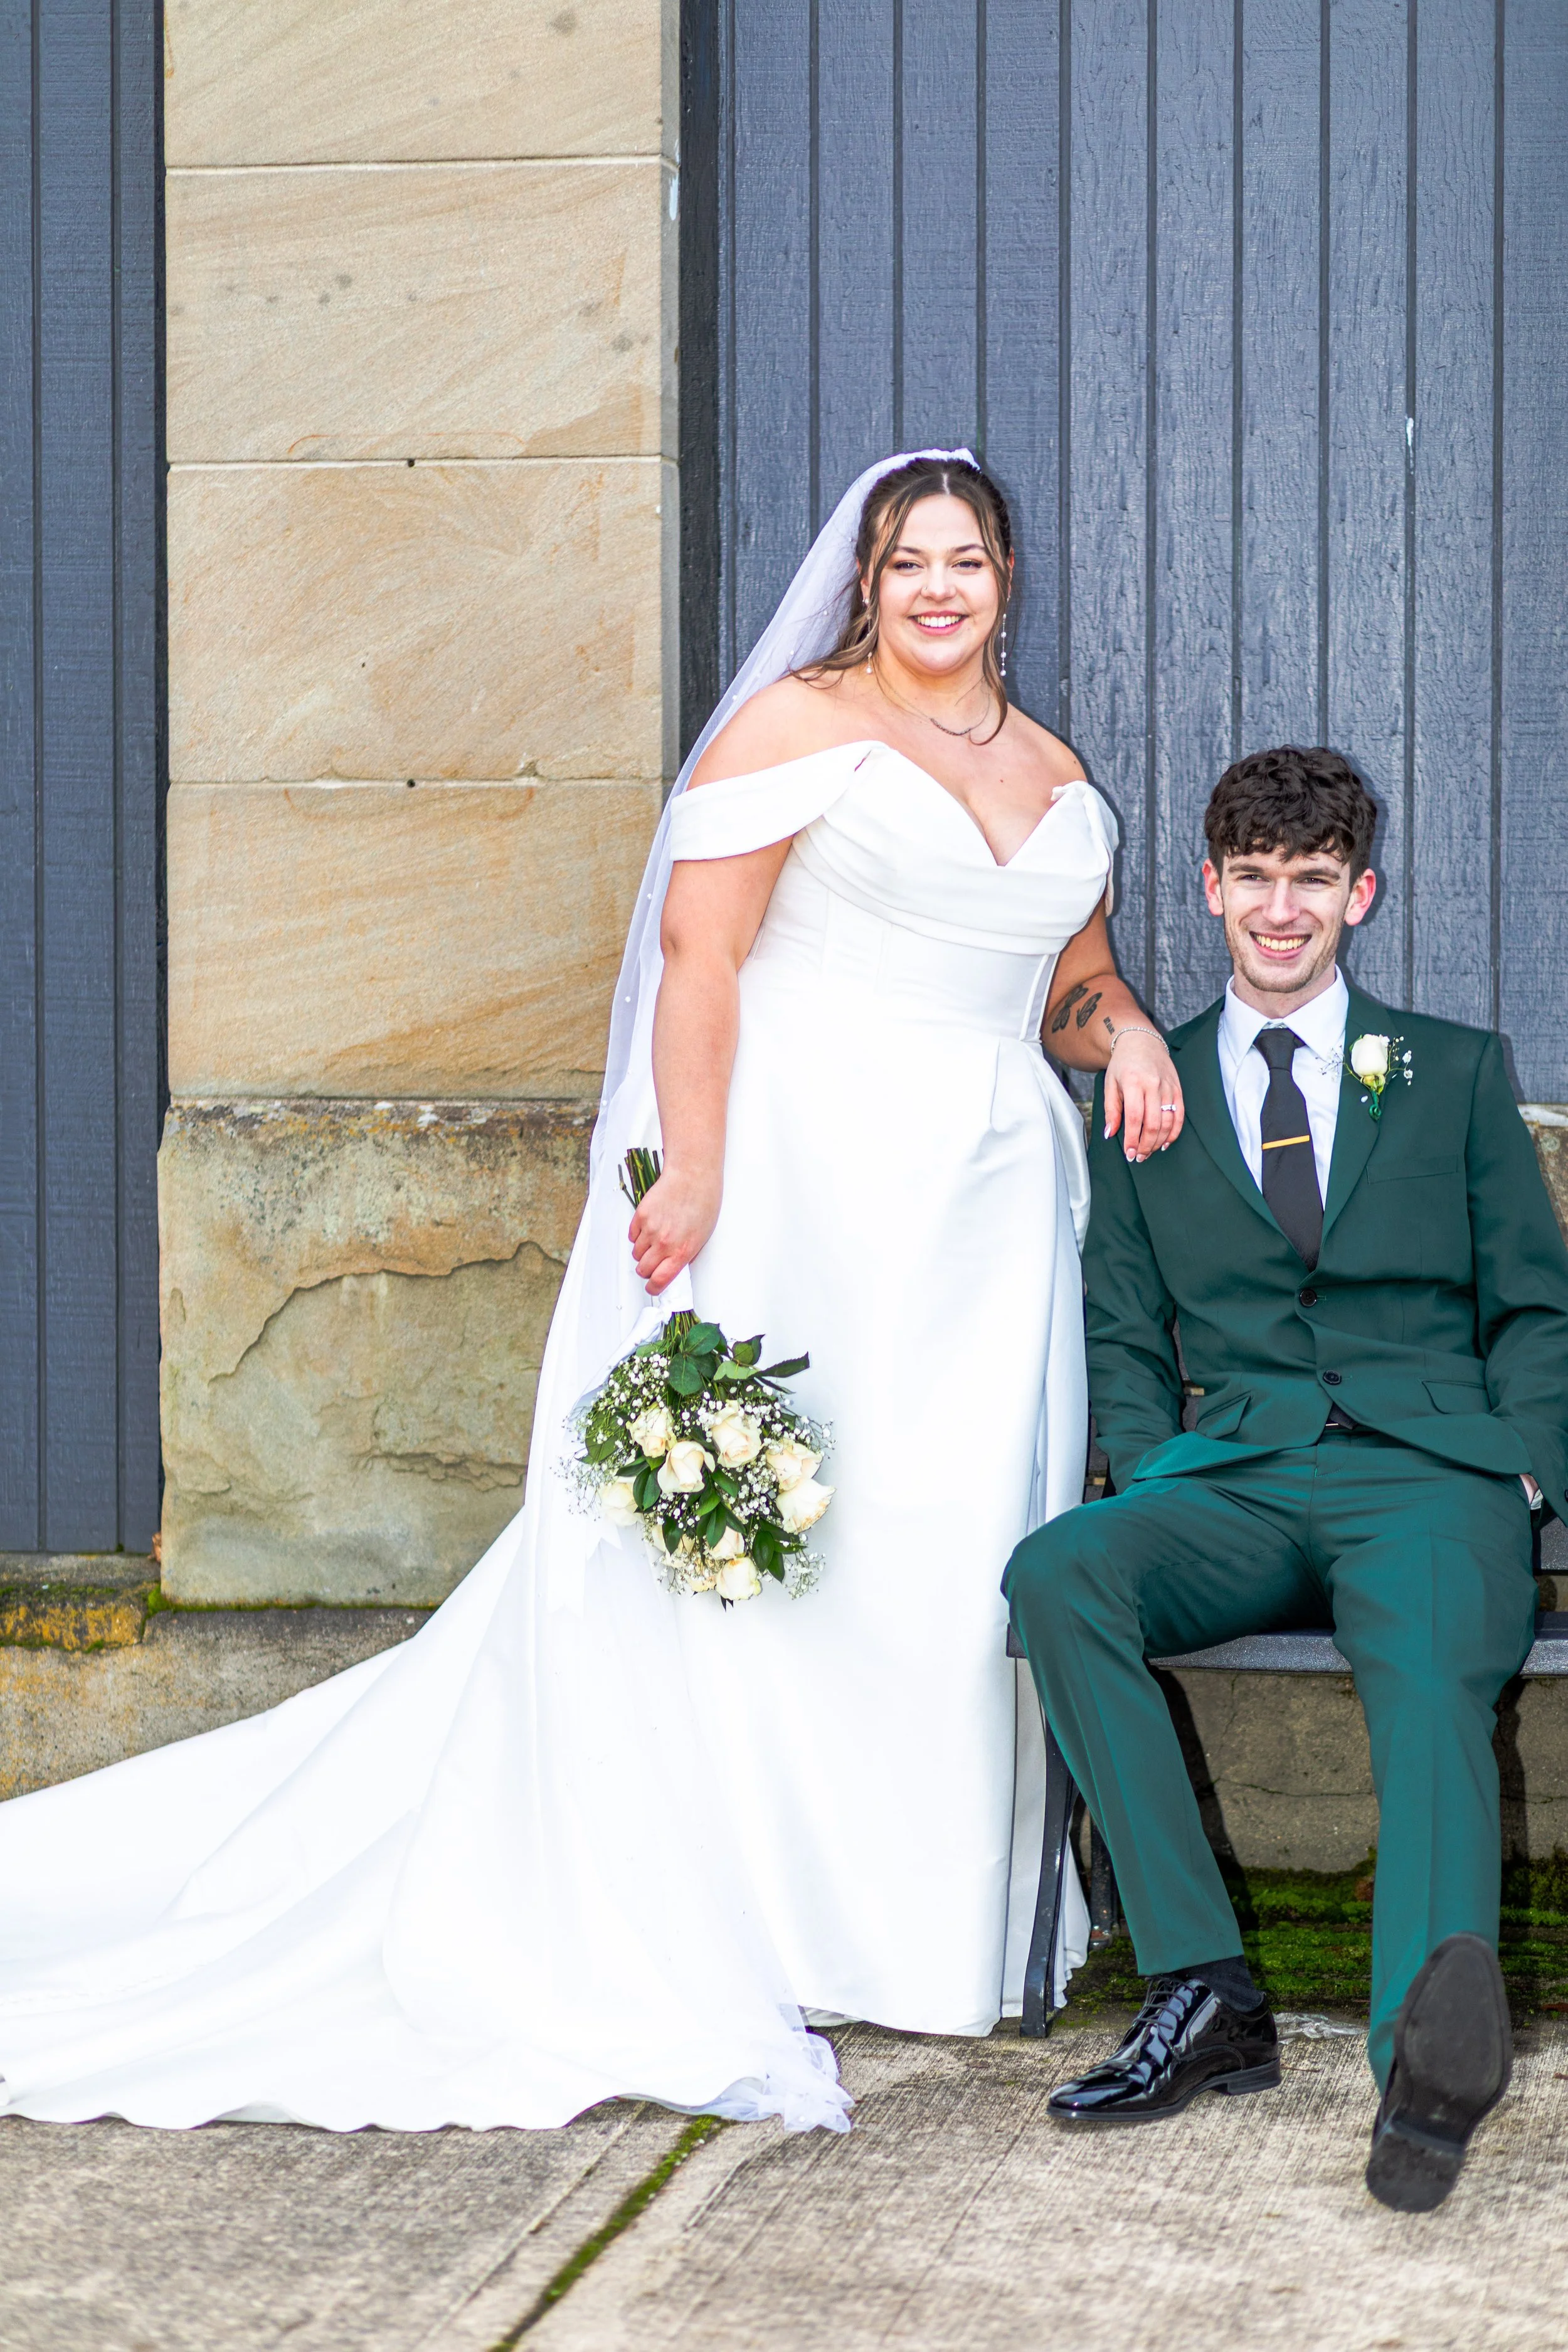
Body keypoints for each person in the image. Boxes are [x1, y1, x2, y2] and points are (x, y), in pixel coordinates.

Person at [0, 450, 1180, 2137]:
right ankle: (766, 1913)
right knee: (790, 1547)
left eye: (967, 560)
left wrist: (1124, 1027)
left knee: (940, 1554)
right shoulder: (798, 730)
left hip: (989, 1226)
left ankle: (916, 1921)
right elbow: (700, 955)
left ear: (1006, 581)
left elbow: (1068, 981)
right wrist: (685, 1171)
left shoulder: (1055, 773)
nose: (937, 587)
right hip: (809, 1186)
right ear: (866, 581)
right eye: (907, 559)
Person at [1005, 745, 1568, 2212]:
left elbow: (1531, 1305)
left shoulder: (1448, 1071)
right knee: (1057, 1573)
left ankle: (1420, 2074)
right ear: (1207, 886)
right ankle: (1202, 1992)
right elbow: (1121, 1323)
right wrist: (1137, 1479)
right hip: (1238, 1472)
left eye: (1308, 878)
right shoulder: (1151, 1090)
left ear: (1356, 895)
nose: (1277, 906)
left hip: (1430, 1473)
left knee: (1429, 1680)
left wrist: (1520, 1474)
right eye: (1250, 875)